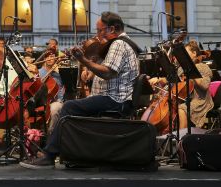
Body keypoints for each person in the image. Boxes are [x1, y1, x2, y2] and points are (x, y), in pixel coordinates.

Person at [20, 11, 140, 169]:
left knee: (69, 107)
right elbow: (103, 70)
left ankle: (49, 156)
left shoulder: (119, 43)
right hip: (112, 98)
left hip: (115, 101)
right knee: (73, 107)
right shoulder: (119, 44)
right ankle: (73, 154)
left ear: (113, 29)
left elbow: (108, 72)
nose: (97, 35)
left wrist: (83, 59)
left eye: (100, 30)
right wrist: (89, 67)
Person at [150, 40, 213, 129]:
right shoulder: (182, 68)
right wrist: (159, 79)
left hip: (199, 100)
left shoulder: (203, 67)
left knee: (182, 108)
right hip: (185, 98)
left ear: (194, 53)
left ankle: (182, 138)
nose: (181, 57)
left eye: (185, 54)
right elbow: (172, 79)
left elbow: (204, 86)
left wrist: (192, 72)